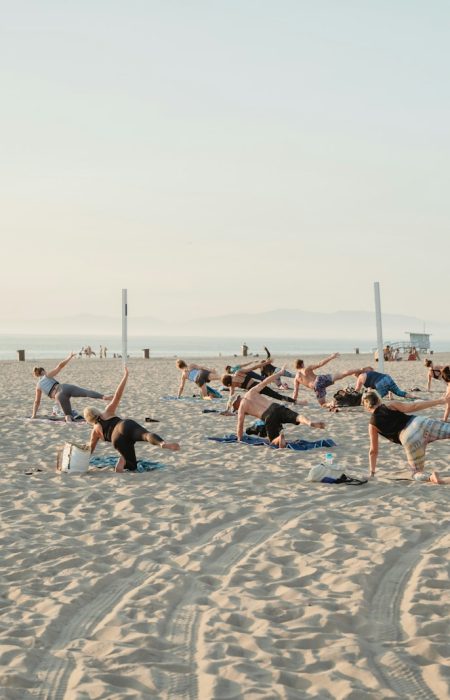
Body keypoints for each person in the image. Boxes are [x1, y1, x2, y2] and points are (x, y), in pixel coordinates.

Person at [85, 367, 180, 472]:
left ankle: (123, 461)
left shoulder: (95, 431)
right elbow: (117, 395)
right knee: (146, 435)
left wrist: (81, 459)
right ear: (96, 411)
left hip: (117, 439)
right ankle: (162, 443)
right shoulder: (107, 412)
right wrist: (125, 376)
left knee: (132, 466)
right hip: (125, 425)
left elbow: (90, 449)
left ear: (89, 420)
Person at [362, 390, 450, 483]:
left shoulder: (372, 425)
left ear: (367, 407)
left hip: (408, 438)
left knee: (417, 473)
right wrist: (440, 401)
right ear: (379, 400)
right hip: (419, 423)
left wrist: (372, 472)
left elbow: (373, 451)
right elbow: (413, 406)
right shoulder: (390, 405)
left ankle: (431, 478)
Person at [234, 368, 325, 448]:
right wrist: (279, 373)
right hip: (276, 407)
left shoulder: (242, 407)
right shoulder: (251, 392)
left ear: (237, 404)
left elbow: (240, 424)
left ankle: (279, 439)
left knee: (273, 442)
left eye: (236, 407)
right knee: (297, 416)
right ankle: (308, 422)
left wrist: (239, 438)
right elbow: (265, 382)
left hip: (268, 417)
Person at [31, 353, 113, 422]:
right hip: (65, 387)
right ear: (43, 372)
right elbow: (59, 366)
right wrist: (69, 357)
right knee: (86, 392)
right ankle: (104, 397)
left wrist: (33, 415)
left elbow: (36, 402)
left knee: (68, 416)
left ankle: (69, 421)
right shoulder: (47, 375)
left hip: (59, 396)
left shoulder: (38, 386)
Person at [293, 353, 363, 409]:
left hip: (316, 386)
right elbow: (320, 364)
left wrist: (293, 400)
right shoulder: (307, 369)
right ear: (302, 364)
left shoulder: (296, 378)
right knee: (342, 374)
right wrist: (331, 357)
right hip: (320, 379)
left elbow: (295, 391)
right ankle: (360, 370)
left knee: (323, 404)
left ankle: (331, 403)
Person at [222, 359, 298, 406]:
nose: (233, 385)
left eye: (232, 383)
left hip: (257, 386)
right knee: (250, 402)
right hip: (253, 391)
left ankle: (294, 401)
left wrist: (265, 363)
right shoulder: (231, 385)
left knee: (276, 395)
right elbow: (231, 397)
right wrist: (227, 408)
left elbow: (253, 367)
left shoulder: (238, 372)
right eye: (231, 384)